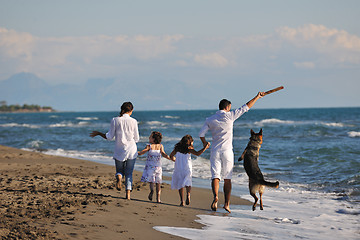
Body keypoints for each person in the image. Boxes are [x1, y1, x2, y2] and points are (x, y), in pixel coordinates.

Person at [199, 92, 265, 213]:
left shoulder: (210, 119)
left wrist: (204, 143)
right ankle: (227, 204)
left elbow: (201, 134)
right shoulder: (230, 116)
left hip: (215, 151)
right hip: (227, 152)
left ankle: (215, 198)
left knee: (215, 176)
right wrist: (257, 97)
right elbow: (246, 107)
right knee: (227, 178)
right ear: (227, 107)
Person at [90, 101, 139, 200]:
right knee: (129, 173)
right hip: (131, 150)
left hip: (119, 150)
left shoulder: (115, 120)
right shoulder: (134, 121)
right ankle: (128, 194)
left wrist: (99, 133)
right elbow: (137, 138)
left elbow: (109, 137)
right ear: (131, 110)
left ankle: (119, 177)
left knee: (119, 170)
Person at [169, 135, 210, 206]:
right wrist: (205, 148)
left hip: (178, 168)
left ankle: (182, 201)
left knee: (180, 184)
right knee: (188, 181)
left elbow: (171, 156)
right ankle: (188, 194)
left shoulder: (177, 148)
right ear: (190, 142)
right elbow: (197, 153)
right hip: (187, 168)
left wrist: (176, 160)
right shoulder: (189, 149)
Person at [138, 131, 172, 203]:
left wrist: (136, 152)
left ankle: (152, 191)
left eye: (150, 137)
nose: (149, 138)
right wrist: (169, 158)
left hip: (150, 167)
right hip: (158, 167)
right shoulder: (160, 146)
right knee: (158, 182)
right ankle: (158, 199)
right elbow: (163, 154)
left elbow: (142, 152)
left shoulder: (149, 146)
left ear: (153, 139)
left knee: (151, 181)